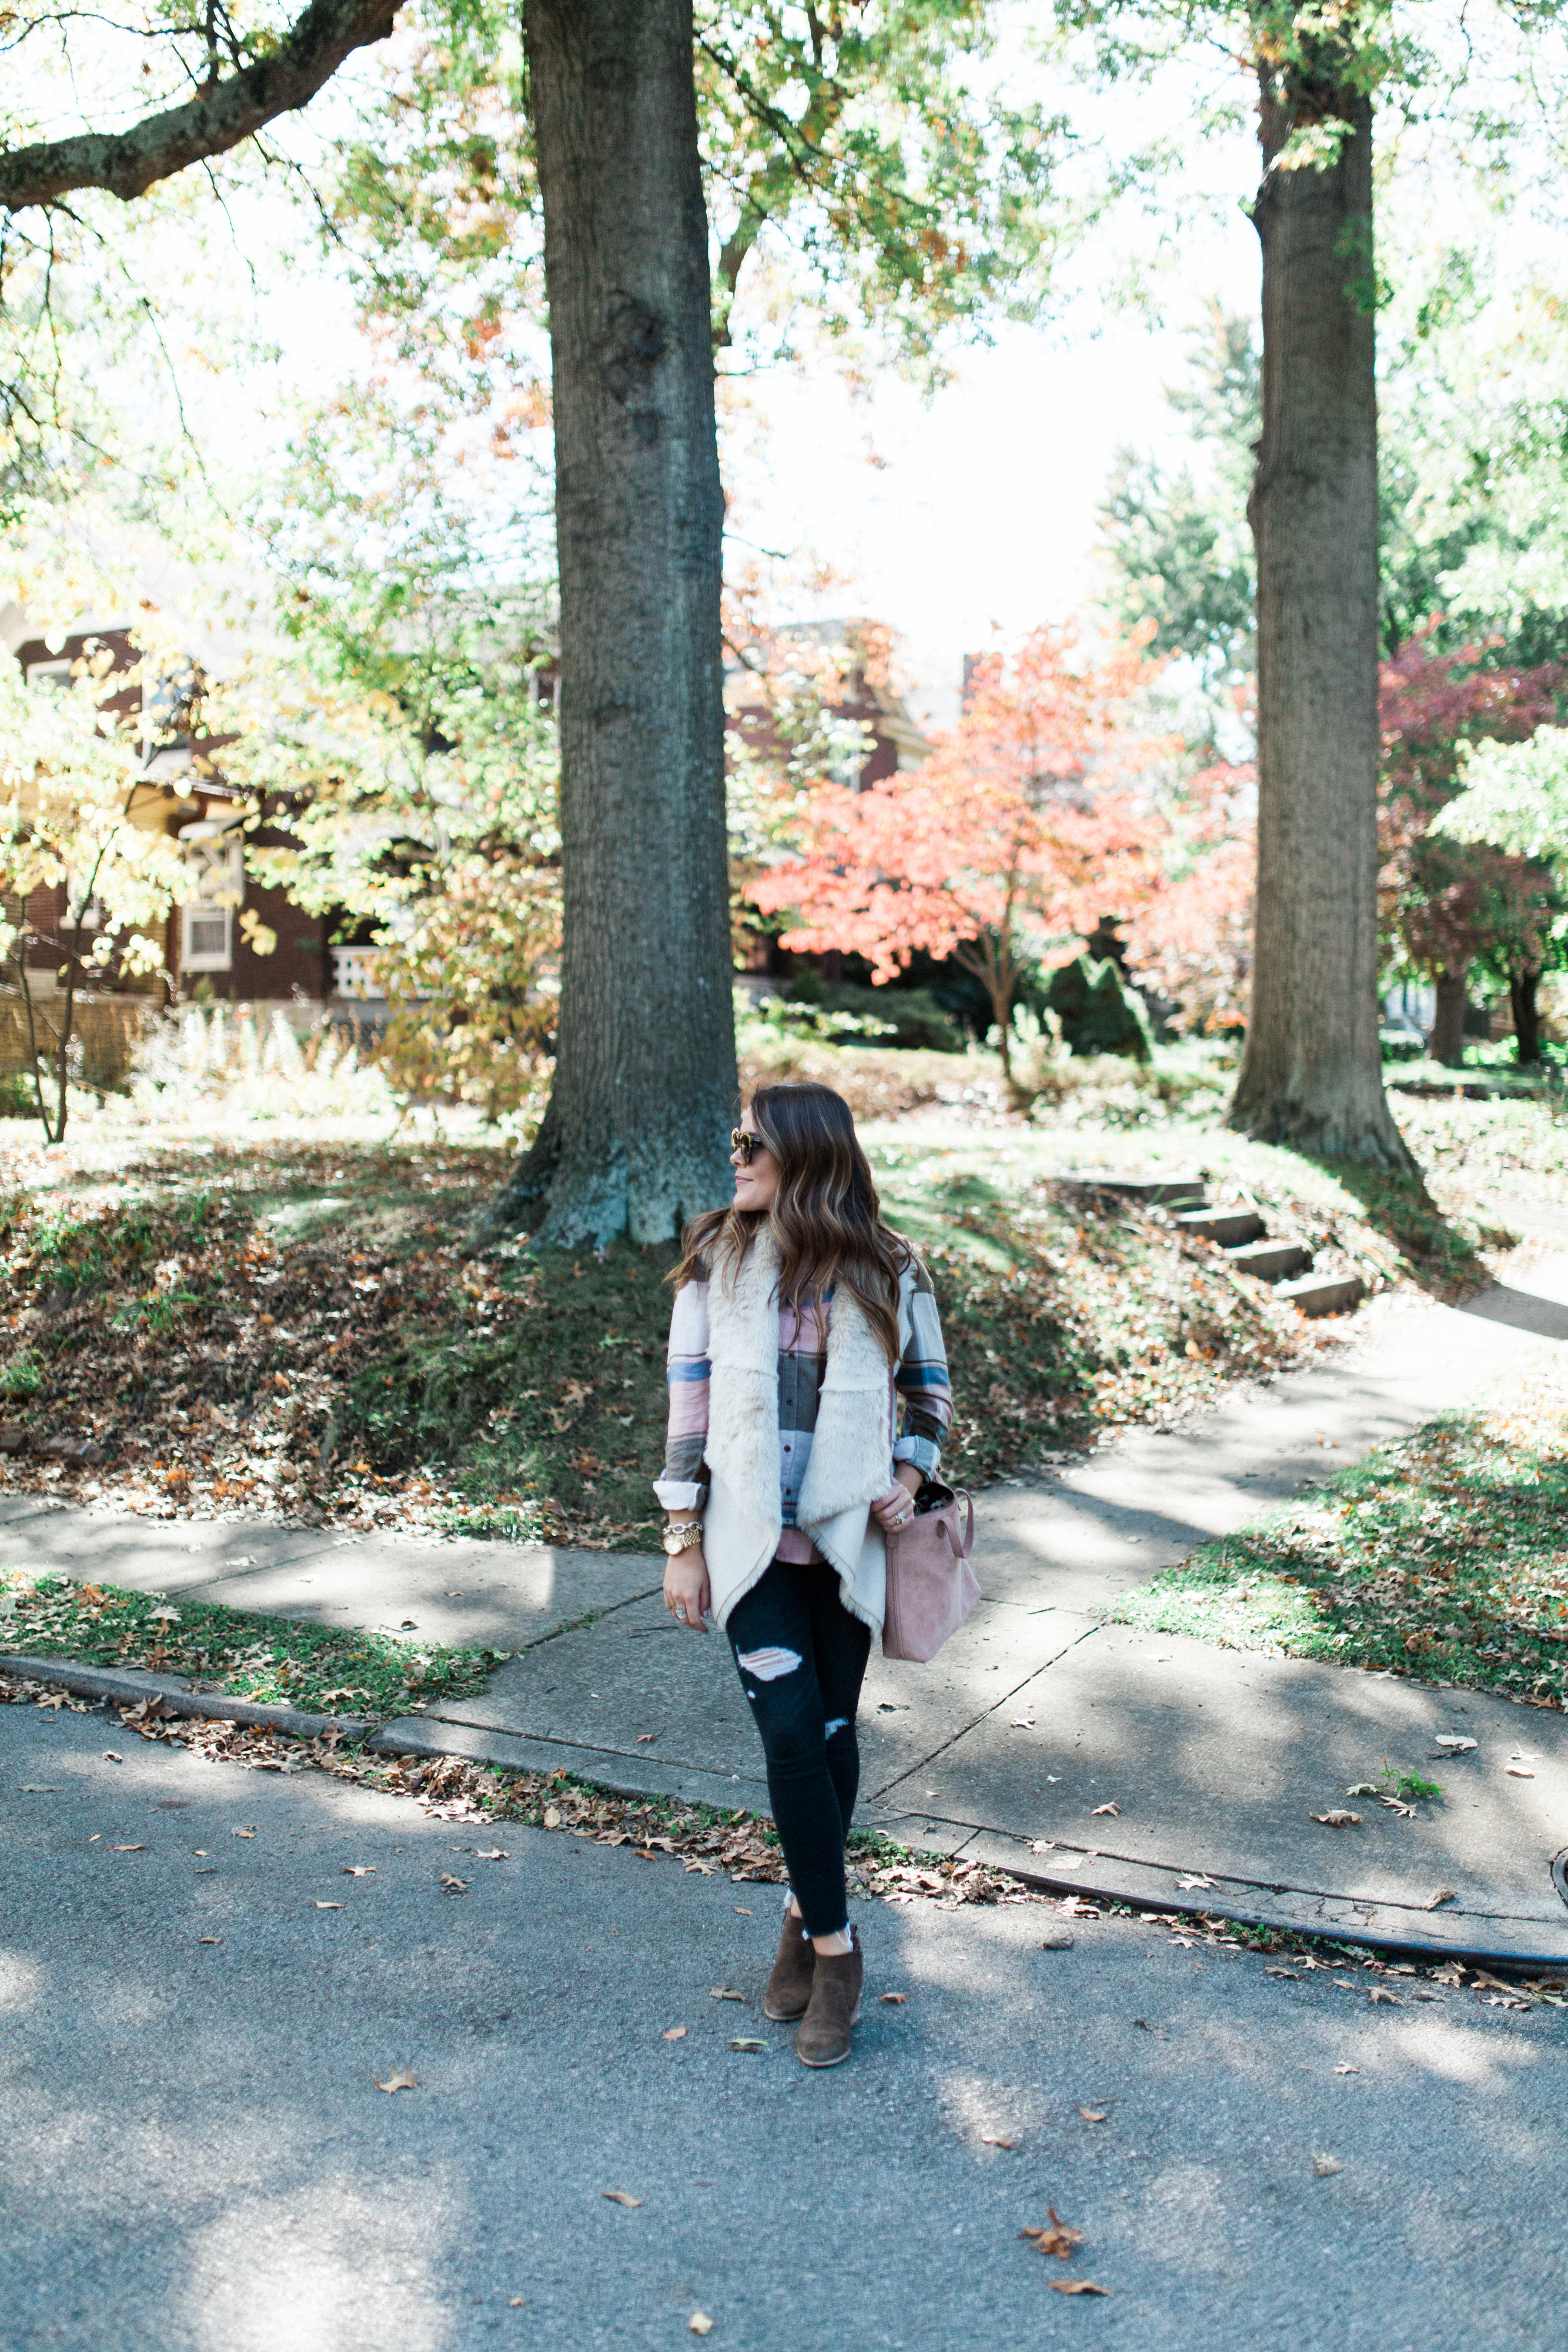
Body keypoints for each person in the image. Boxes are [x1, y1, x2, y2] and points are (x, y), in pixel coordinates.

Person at [655, 1082, 953, 2066]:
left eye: (754, 1144)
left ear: (808, 1157)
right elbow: (688, 1408)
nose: (736, 1158)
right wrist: (683, 1538)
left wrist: (909, 1475)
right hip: (750, 1545)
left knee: (829, 1735)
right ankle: (838, 1950)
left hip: (842, 1541)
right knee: (789, 1729)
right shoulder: (716, 1261)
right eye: (736, 1140)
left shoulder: (890, 1266)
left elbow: (930, 1394)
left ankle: (798, 1912)